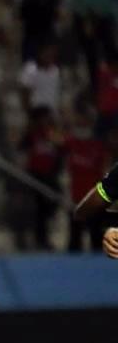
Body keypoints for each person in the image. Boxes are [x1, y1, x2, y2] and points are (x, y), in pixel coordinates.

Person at [64, 103, 109, 251]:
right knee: (74, 242)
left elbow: (104, 171)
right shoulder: (71, 143)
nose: (82, 122)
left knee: (96, 241)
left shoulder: (98, 146)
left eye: (86, 119)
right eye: (79, 119)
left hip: (94, 201)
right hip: (75, 200)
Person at [21, 106, 64, 250]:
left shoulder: (53, 133)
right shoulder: (32, 134)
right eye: (42, 118)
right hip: (36, 176)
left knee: (51, 206)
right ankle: (39, 239)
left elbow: (61, 151)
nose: (45, 121)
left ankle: (46, 236)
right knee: (38, 210)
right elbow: (22, 149)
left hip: (51, 177)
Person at [69, 0, 117, 87]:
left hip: (102, 21)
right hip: (86, 20)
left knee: (110, 48)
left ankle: (113, 78)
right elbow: (80, 6)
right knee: (91, 53)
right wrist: (87, 19)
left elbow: (106, 7)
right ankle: (95, 83)